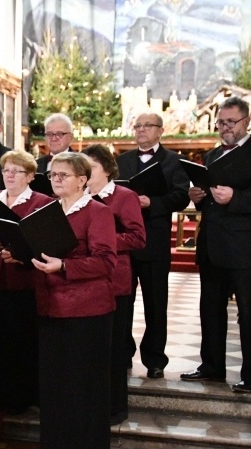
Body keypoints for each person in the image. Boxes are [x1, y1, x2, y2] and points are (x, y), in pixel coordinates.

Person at [182, 96, 251, 393]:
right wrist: (198, 198)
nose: (225, 127)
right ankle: (212, 367)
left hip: (244, 247)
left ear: (246, 121)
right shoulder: (212, 155)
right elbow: (209, 200)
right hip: (212, 244)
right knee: (210, 309)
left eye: (231, 122)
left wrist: (235, 197)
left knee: (250, 312)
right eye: (221, 123)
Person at [32, 152, 117, 449]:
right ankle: (56, 448)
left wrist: (64, 266)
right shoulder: (46, 211)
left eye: (63, 175)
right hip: (51, 306)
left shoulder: (98, 212)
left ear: (82, 180)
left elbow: (106, 261)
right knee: (54, 383)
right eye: (52, 174)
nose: (55, 179)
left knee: (83, 384)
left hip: (87, 311)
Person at [0, 150, 53, 413]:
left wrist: (20, 253)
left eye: (16, 171)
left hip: (25, 279)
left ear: (30, 176)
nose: (9, 175)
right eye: (6, 170)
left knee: (24, 338)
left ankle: (24, 396)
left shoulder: (42, 202)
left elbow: (47, 243)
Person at [115, 111, 189, 378]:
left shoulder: (174, 161)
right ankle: (122, 353)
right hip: (124, 239)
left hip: (154, 239)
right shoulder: (121, 160)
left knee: (156, 303)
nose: (141, 130)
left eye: (147, 125)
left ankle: (155, 359)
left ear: (160, 130)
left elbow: (181, 196)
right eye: (137, 126)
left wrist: (152, 203)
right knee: (123, 301)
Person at [81, 144, 145, 425]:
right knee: (90, 348)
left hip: (115, 280)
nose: (86, 173)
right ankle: (90, 405)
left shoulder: (124, 196)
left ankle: (115, 407)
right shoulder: (79, 198)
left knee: (114, 346)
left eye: (92, 167)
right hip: (84, 282)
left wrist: (100, 239)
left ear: (107, 169)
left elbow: (138, 237)